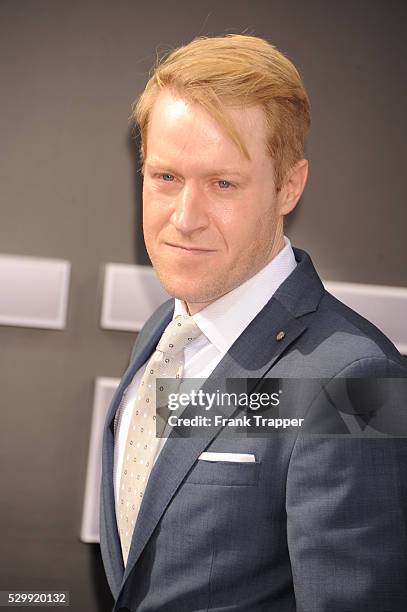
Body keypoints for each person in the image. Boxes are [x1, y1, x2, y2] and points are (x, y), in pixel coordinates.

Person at [100, 34, 407, 611]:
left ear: (289, 185)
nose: (185, 219)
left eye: (223, 184)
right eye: (166, 177)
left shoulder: (358, 381)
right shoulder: (162, 336)